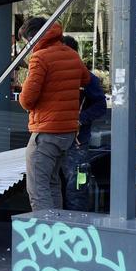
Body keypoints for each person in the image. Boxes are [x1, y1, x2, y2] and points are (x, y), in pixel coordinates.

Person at [18, 16, 89, 214]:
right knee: (52, 182)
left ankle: (46, 235)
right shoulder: (71, 54)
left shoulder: (40, 58)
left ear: (33, 37)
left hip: (46, 131)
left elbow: (27, 100)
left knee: (37, 187)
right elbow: (85, 78)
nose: (28, 47)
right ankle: (58, 228)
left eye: (27, 42)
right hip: (67, 132)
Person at [60, 35, 109, 211]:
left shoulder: (86, 78)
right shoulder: (54, 76)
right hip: (53, 139)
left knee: (77, 186)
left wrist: (81, 119)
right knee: (53, 185)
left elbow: (101, 106)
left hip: (77, 143)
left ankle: (76, 224)